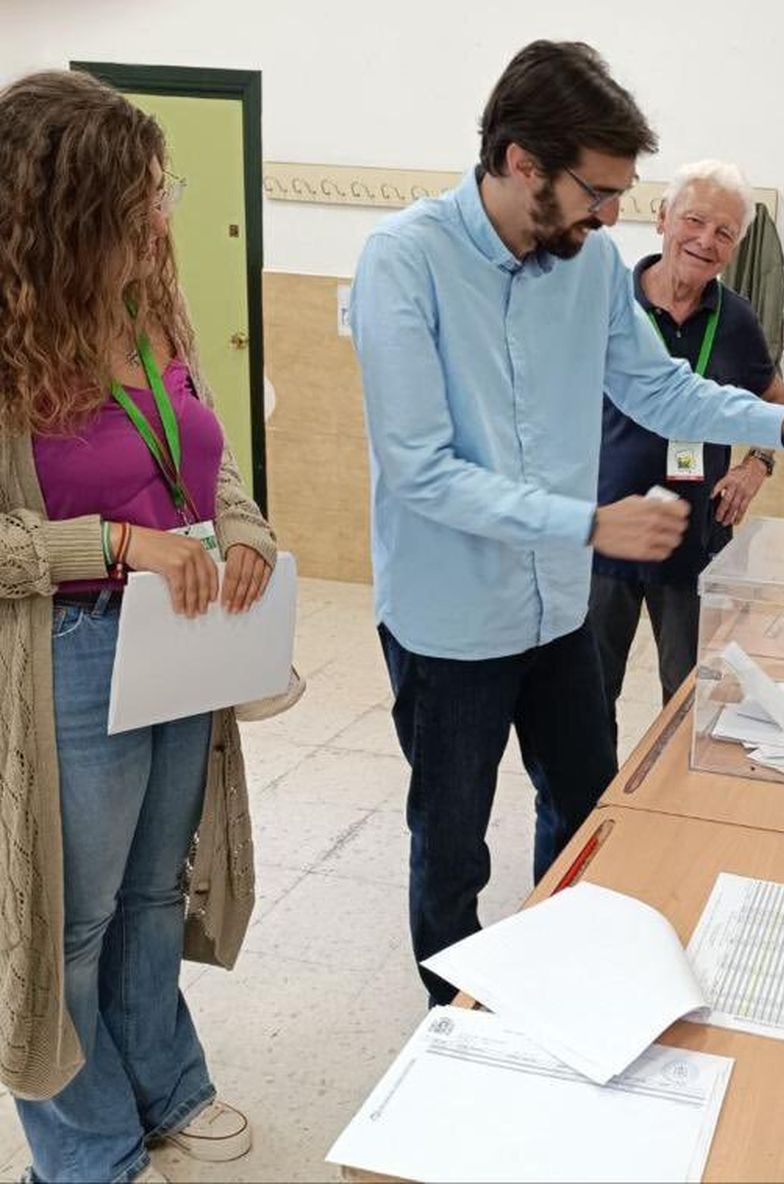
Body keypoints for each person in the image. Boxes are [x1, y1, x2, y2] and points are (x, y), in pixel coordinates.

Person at [349, 40, 784, 1007]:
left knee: (587, 804)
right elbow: (420, 471)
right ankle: (451, 1022)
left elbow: (658, 386)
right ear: (521, 162)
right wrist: (586, 524)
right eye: (598, 191)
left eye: (623, 193)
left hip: (555, 615)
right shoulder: (405, 262)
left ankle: (564, 968)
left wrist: (778, 425)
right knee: (451, 840)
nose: (614, 216)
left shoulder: (587, 269)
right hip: (453, 620)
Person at [0, 71, 277, 1182]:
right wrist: (114, 544)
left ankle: (168, 1085)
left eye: (163, 194)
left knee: (154, 892)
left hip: (180, 633)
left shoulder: (147, 303)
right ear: (64, 213)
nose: (161, 220)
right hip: (65, 654)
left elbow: (206, 451)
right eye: (139, 201)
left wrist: (242, 523)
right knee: (71, 922)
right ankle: (88, 1147)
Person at [591, 160, 784, 737]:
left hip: (694, 536)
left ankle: (673, 786)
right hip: (604, 533)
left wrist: (756, 465)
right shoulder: (609, 303)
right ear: (662, 218)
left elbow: (776, 399)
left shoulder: (737, 320)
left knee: (691, 694)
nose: (706, 240)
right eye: (694, 220)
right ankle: (594, 791)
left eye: (724, 232)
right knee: (586, 693)